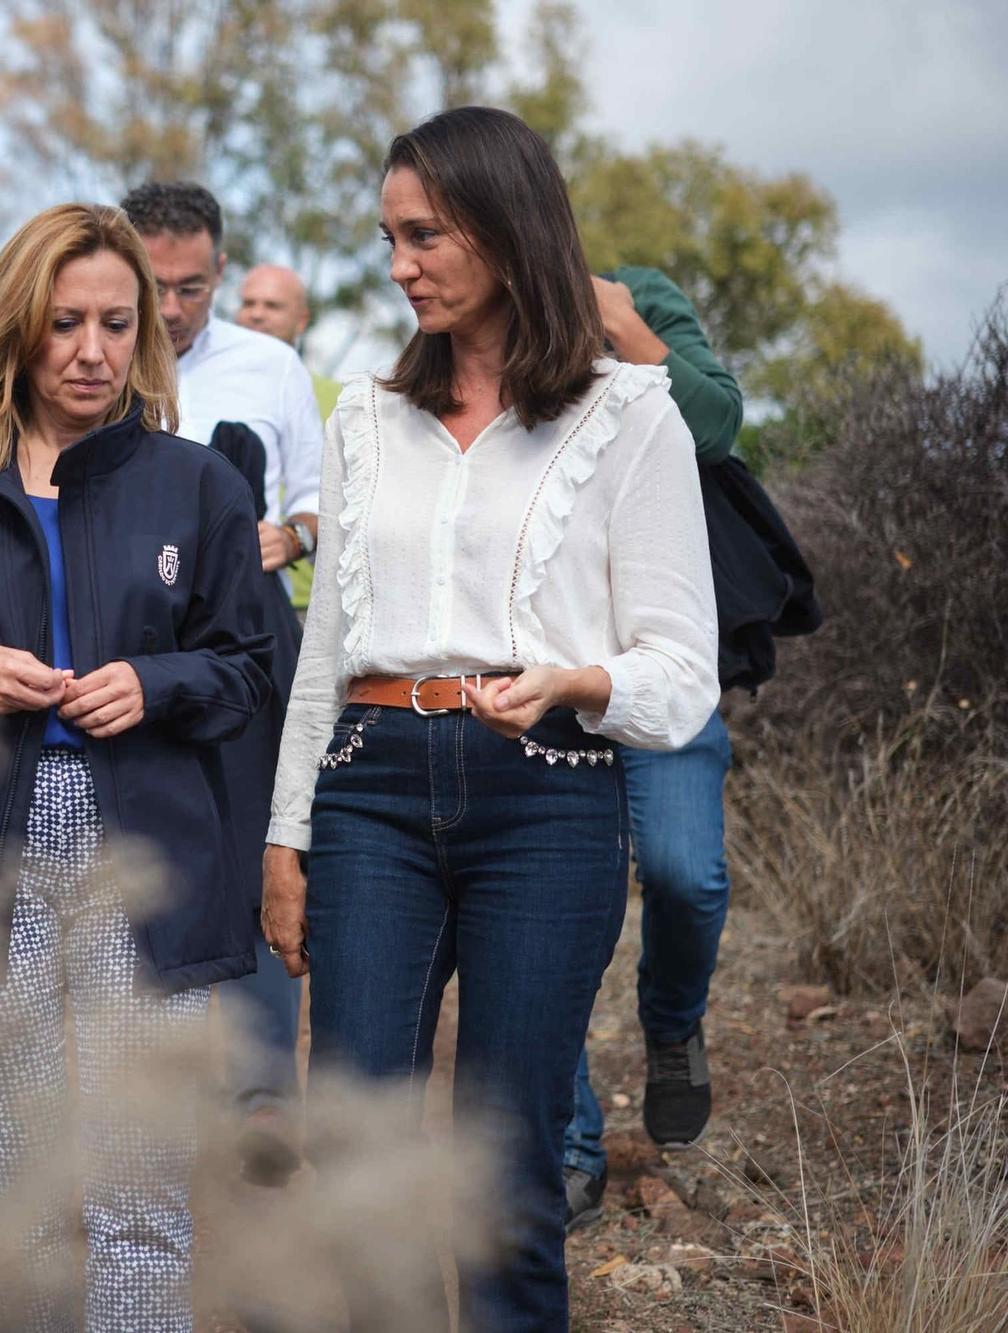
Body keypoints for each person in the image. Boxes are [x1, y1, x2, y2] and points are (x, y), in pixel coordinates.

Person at [262, 106, 718, 1329]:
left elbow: (681, 669)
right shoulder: (364, 419)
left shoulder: (631, 417)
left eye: (424, 236)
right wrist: (283, 835)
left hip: (548, 797)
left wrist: (574, 681)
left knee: (508, 1170)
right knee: (355, 1149)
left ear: (508, 231)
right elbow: (324, 652)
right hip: (367, 785)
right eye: (388, 238)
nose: (398, 263)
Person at [0, 202, 273, 1331]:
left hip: (148, 860)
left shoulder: (197, 484)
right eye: (64, 321)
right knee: (15, 1197)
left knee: (137, 1197)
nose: (91, 350)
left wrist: (154, 682)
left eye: (117, 324)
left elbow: (248, 668)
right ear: (15, 326)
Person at [120, 181, 321, 1182]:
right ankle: (138, 1101)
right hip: (122, 652)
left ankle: (258, 1107)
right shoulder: (86, 360)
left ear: (218, 274)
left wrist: (293, 531)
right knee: (133, 859)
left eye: (192, 287)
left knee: (254, 853)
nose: (171, 310)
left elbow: (326, 500)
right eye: (152, 287)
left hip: (249, 639)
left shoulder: (269, 368)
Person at [561, 266, 744, 1230]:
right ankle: (570, 1143)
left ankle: (672, 1026)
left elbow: (717, 425)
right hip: (543, 676)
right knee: (550, 917)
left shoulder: (640, 295)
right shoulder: (468, 321)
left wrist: (626, 325)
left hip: (656, 659)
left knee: (684, 873)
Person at [235, 262, 342, 615]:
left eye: (272, 306)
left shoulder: (340, 401)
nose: (257, 315)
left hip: (310, 607)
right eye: (248, 304)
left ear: (302, 320)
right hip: (239, 599)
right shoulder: (214, 396)